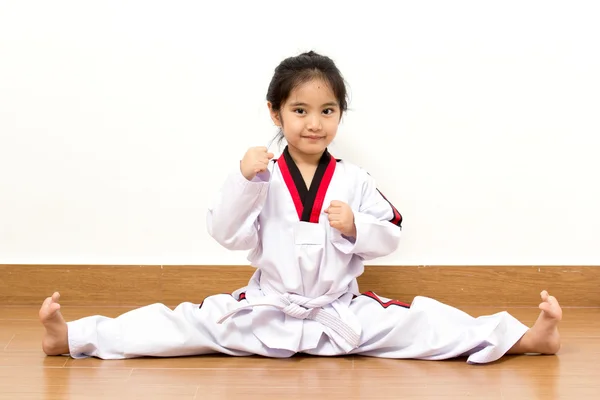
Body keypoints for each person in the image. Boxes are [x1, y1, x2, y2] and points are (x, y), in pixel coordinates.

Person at [39, 51, 561, 364]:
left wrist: (357, 225)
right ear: (276, 111)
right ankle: (74, 337)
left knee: (423, 324)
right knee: (182, 326)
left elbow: (394, 229)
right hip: (267, 309)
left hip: (340, 310)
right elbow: (225, 232)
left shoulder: (354, 179)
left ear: (340, 115)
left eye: (327, 110)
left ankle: (523, 338)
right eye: (300, 110)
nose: (315, 123)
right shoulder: (260, 171)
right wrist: (243, 179)